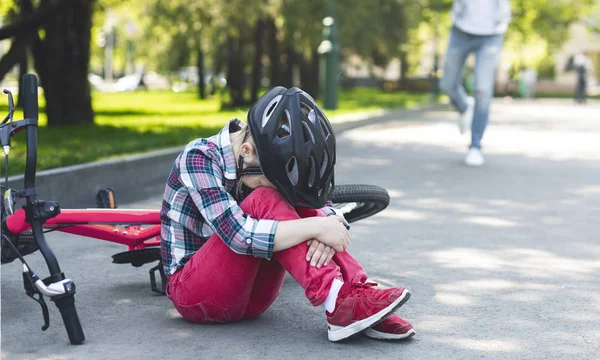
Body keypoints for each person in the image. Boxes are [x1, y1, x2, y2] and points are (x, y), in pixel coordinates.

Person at [160, 87, 415, 342]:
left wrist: (331, 223)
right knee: (265, 198)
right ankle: (338, 301)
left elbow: (322, 207)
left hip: (253, 300)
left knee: (296, 197)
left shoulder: (258, 156)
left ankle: (353, 297)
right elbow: (239, 235)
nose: (272, 186)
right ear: (246, 151)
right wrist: (316, 227)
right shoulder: (198, 157)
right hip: (194, 295)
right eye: (268, 179)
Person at [440, 0, 512, 166]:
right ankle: (465, 107)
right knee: (447, 85)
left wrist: (502, 22)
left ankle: (475, 146)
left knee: (482, 91)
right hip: (460, 32)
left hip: (491, 35)